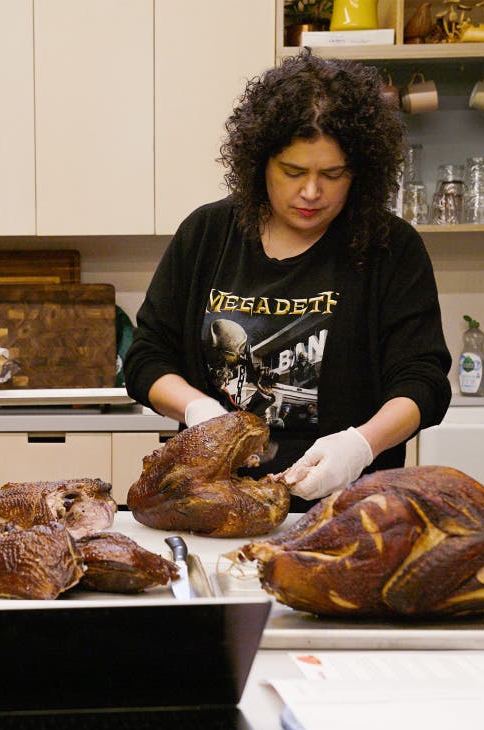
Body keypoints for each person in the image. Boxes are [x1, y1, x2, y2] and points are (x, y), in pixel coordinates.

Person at [123, 52, 451, 514]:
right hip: (210, 505)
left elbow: (424, 382)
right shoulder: (207, 235)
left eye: (333, 174)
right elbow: (146, 358)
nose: (312, 192)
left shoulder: (389, 247)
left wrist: (360, 445)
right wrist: (198, 410)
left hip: (347, 511)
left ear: (361, 171)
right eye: (293, 172)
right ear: (260, 163)